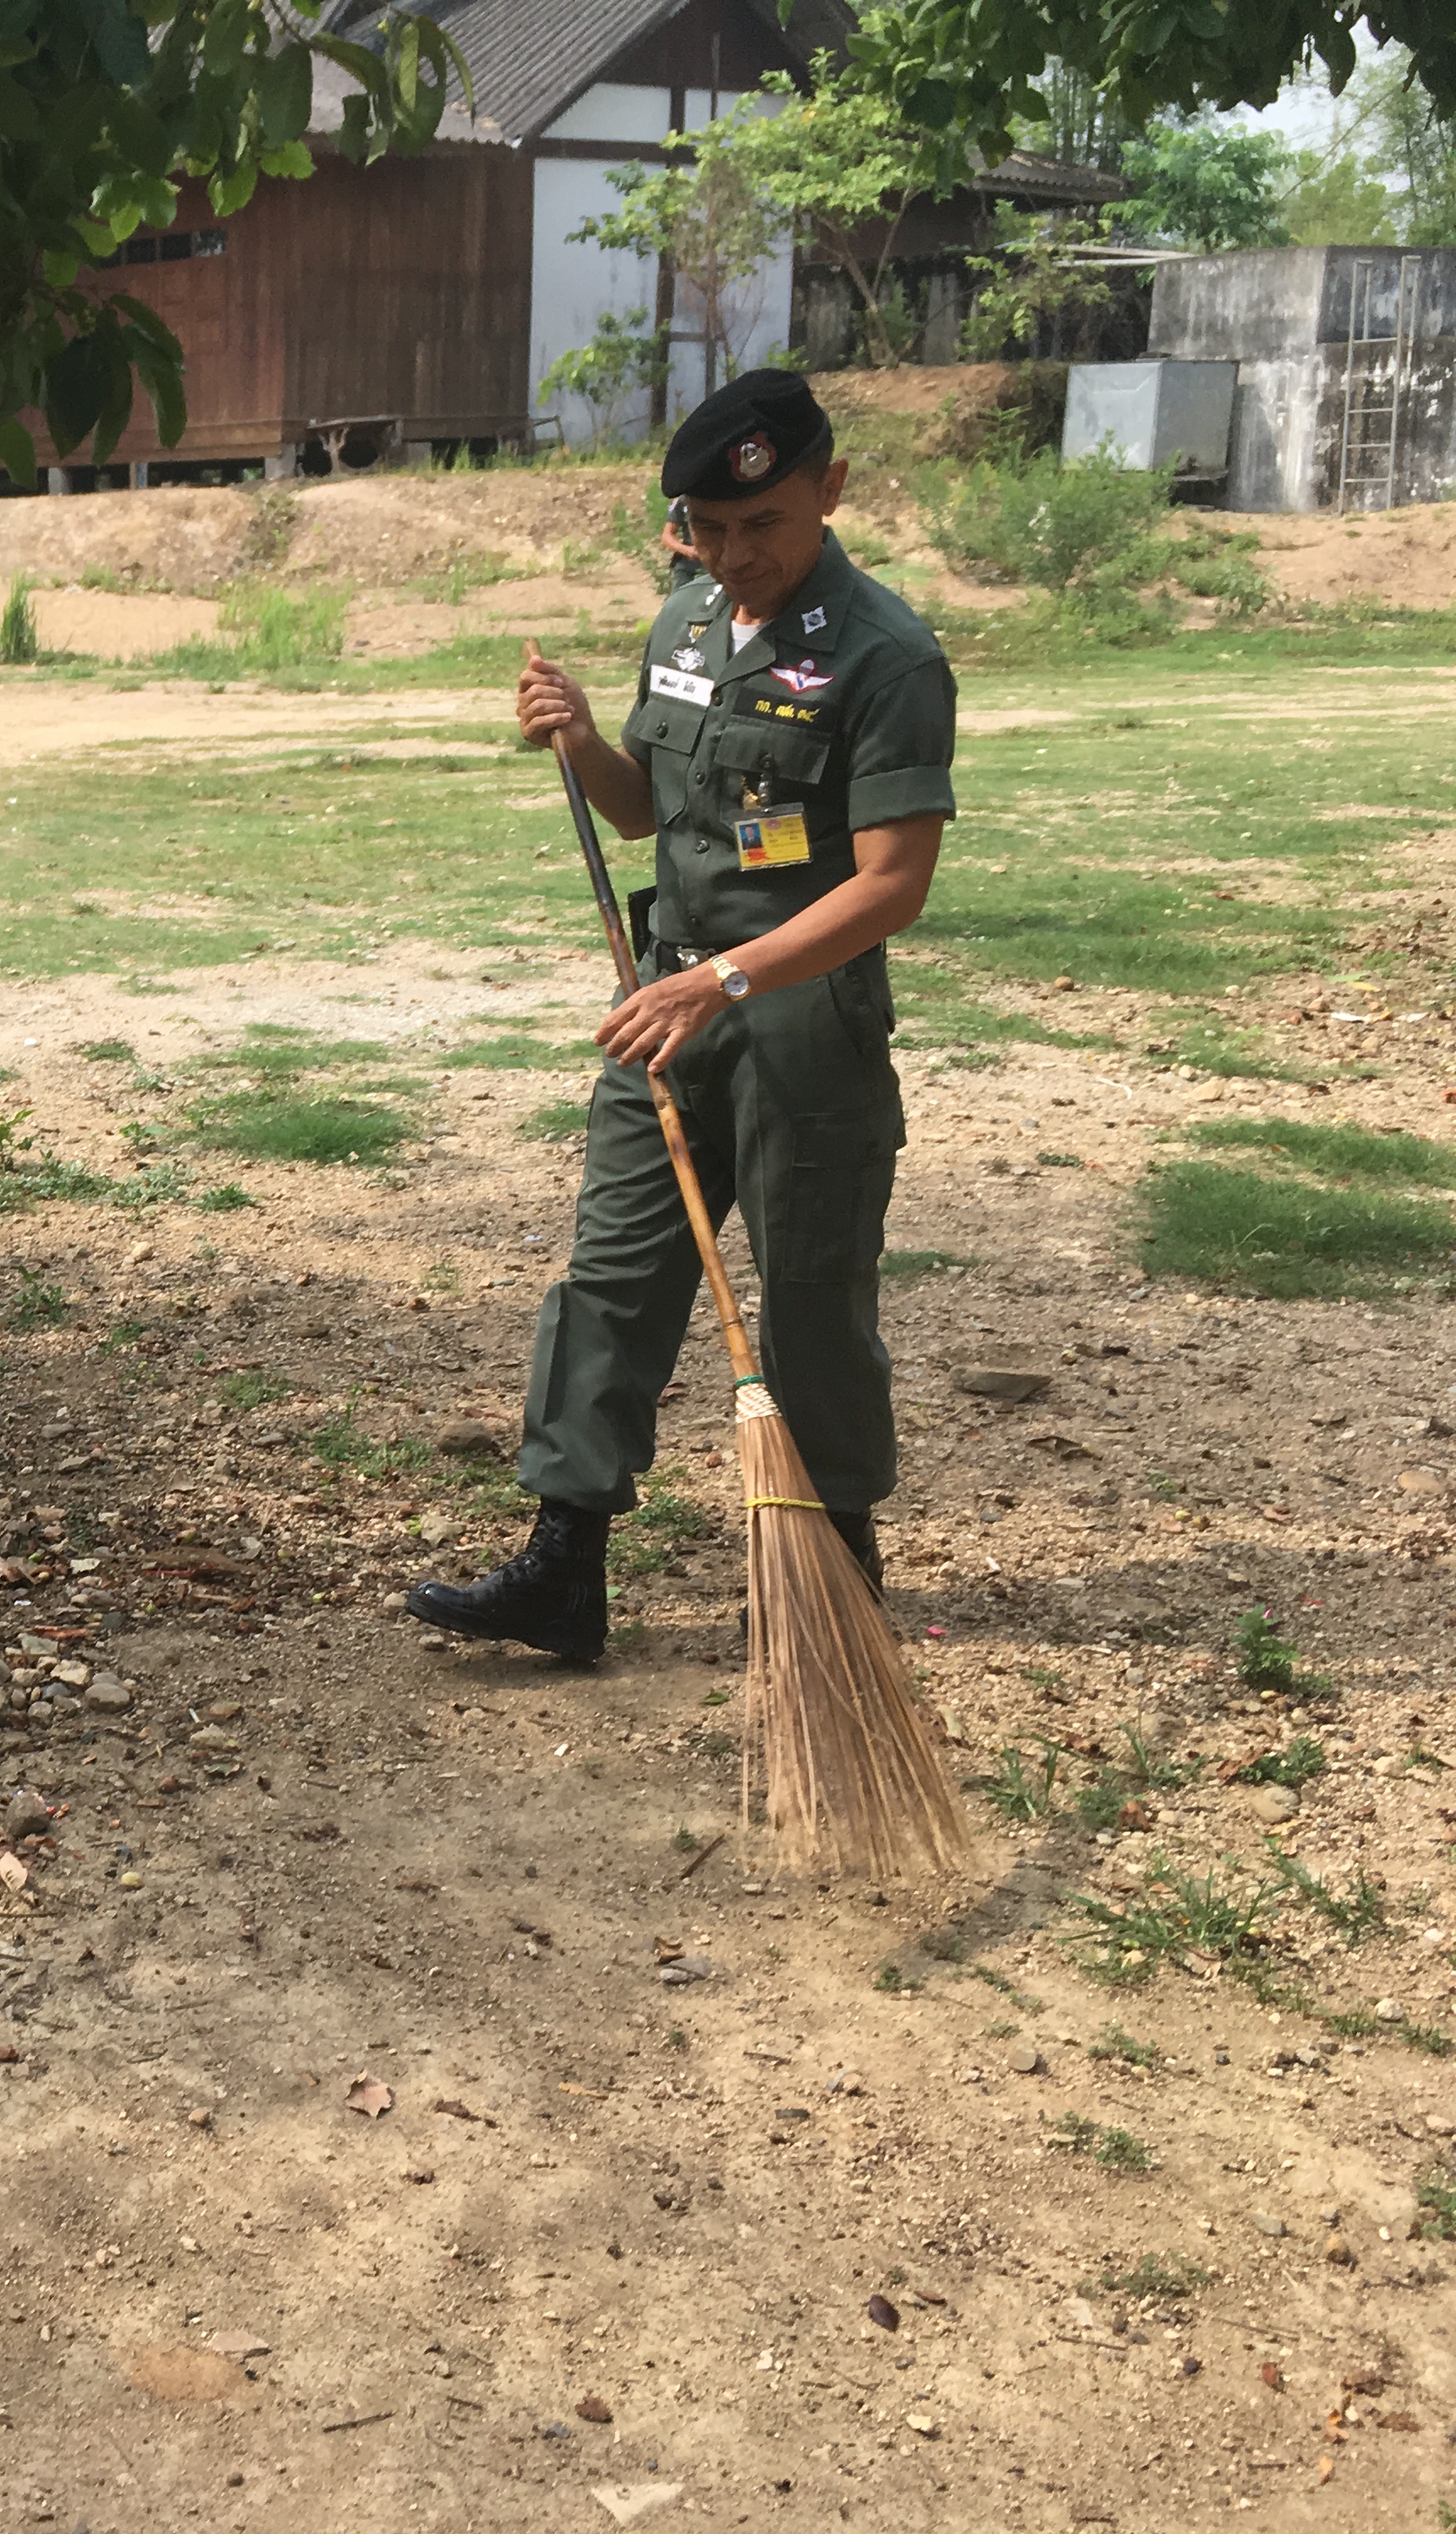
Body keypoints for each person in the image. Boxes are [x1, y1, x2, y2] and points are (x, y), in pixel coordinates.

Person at [408, 370, 955, 1662]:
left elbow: (893, 885)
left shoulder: (886, 656)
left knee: (811, 1299)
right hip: (664, 1006)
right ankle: (564, 1564)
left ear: (829, 490)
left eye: (761, 524)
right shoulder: (688, 625)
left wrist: (726, 981)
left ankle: (833, 1572)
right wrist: (578, 740)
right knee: (610, 1277)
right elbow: (646, 810)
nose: (734, 554)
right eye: (707, 529)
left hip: (798, 1020)